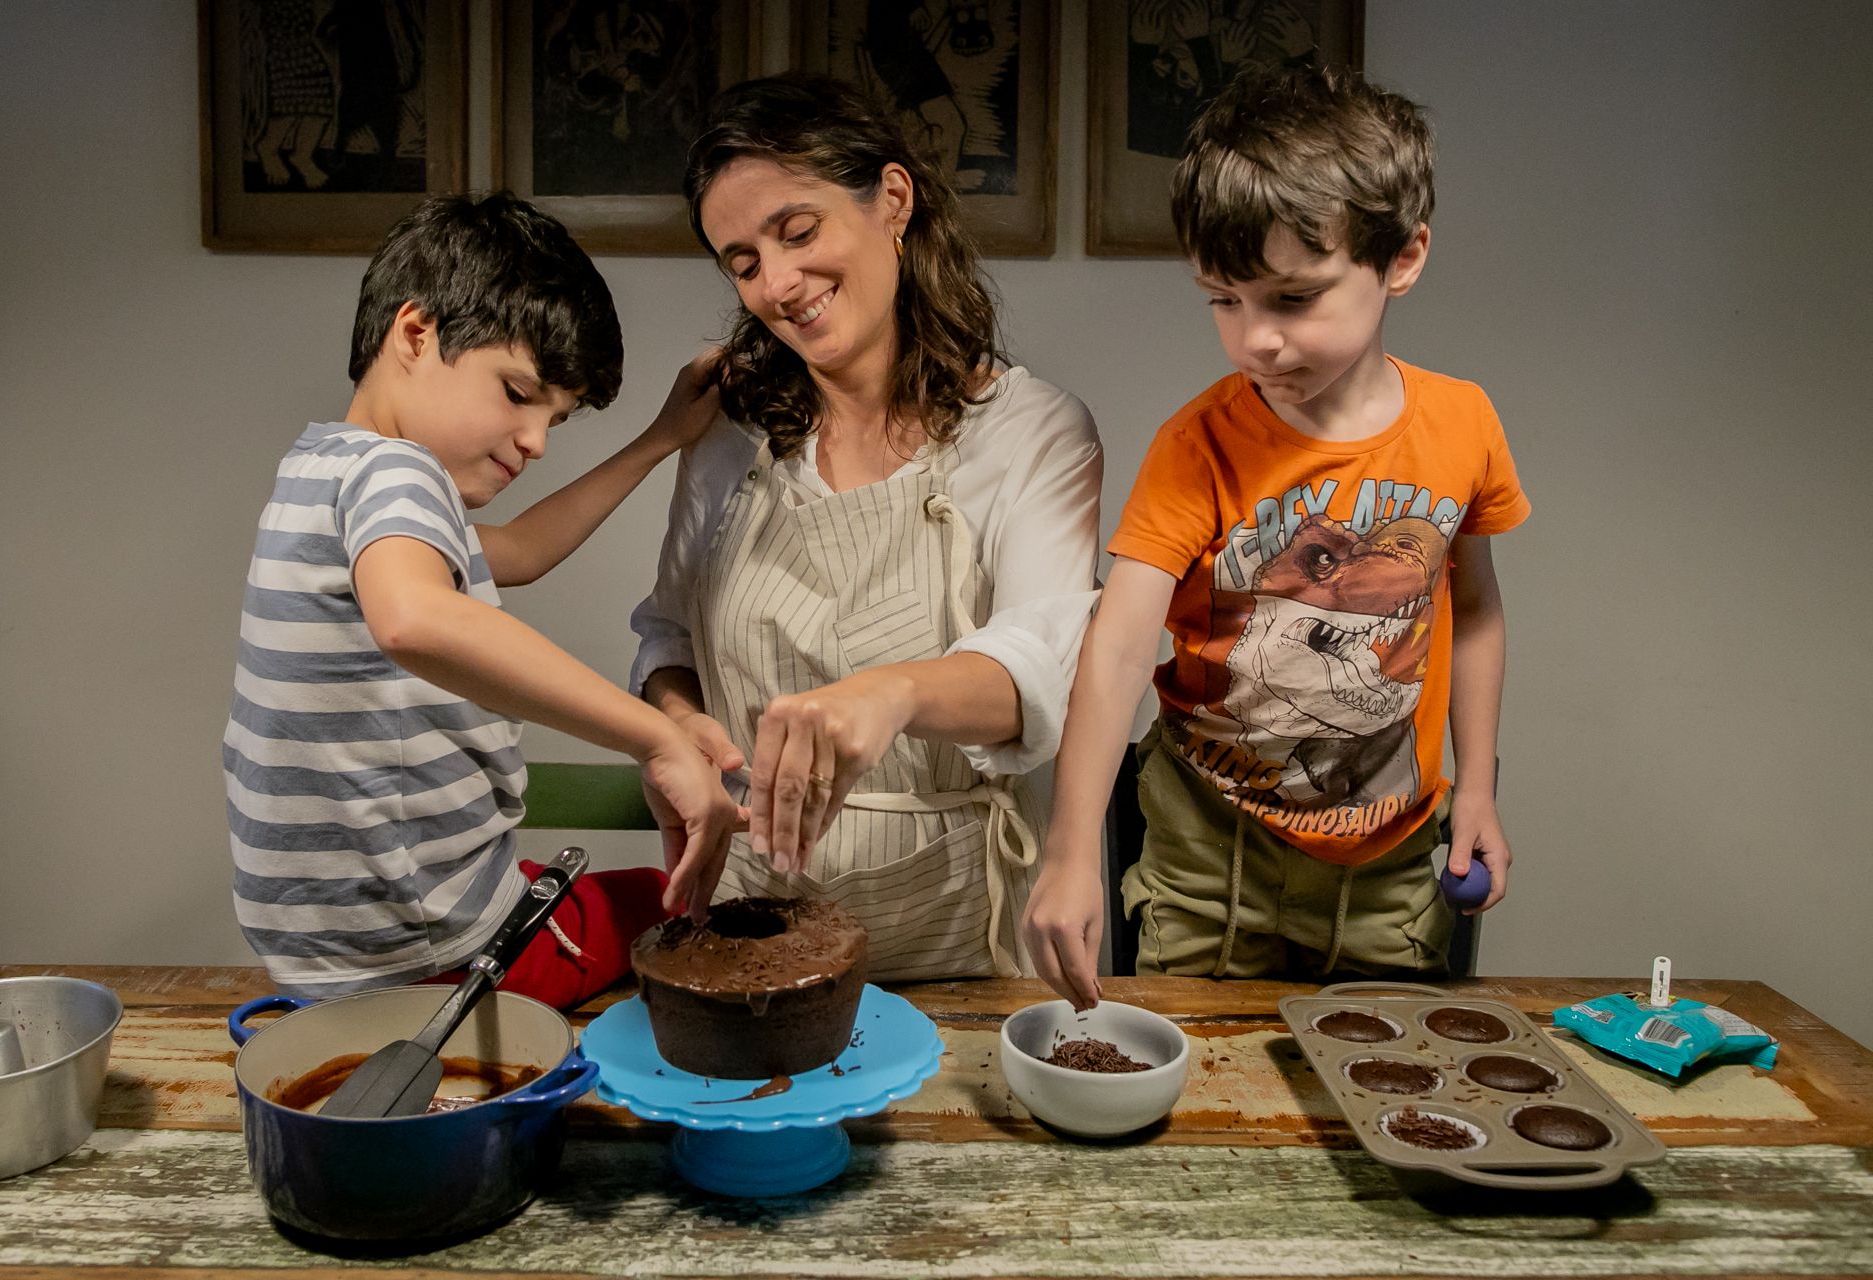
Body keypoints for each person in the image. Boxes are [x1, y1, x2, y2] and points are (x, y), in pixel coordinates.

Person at [1024, 66, 1531, 1007]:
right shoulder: (1197, 444)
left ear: (1404, 259)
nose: (1255, 339)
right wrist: (1066, 852)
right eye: (1225, 299)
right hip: (1206, 857)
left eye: (1293, 299)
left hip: (1389, 867)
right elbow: (1120, 643)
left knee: (1389, 1092)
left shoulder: (1464, 424)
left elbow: (1479, 612)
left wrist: (1479, 786)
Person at [630, 74, 1102, 980]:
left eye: (797, 232)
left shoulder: (1033, 430)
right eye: (742, 261)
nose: (778, 283)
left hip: (957, 936)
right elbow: (667, 633)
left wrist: (887, 695)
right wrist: (683, 727)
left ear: (892, 199)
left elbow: (1039, 671)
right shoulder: (730, 432)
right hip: (751, 925)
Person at [223, 192, 740, 1004]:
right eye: (517, 393)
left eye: (555, 420)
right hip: (431, 951)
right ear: (415, 334)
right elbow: (415, 618)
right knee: (685, 901)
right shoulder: (398, 472)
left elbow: (521, 551)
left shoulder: (323, 469)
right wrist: (657, 739)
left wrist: (660, 440)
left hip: (326, 951)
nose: (536, 439)